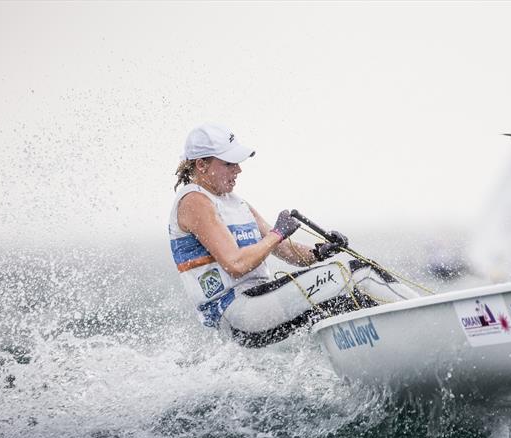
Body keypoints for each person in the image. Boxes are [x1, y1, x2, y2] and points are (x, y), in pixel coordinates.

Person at [168, 124, 415, 347]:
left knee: (349, 299)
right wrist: (276, 233)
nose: (239, 169)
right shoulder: (194, 200)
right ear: (201, 165)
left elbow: (287, 252)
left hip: (258, 305)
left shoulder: (236, 203)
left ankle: (394, 347)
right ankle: (428, 319)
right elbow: (236, 264)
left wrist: (320, 251)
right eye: (229, 164)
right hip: (238, 312)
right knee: (356, 273)